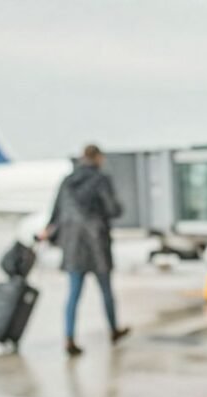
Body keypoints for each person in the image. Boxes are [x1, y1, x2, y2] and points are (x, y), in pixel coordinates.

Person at [40, 144, 130, 356]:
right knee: (106, 291)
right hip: (96, 243)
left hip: (72, 245)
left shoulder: (67, 181)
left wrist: (48, 230)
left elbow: (56, 212)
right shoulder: (101, 180)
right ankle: (113, 330)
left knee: (73, 294)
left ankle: (69, 337)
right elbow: (113, 209)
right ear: (98, 158)